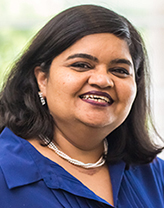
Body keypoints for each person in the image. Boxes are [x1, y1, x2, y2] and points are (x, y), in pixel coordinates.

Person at [0, 4, 163, 208]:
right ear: (42, 79)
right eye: (81, 65)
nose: (103, 80)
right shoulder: (5, 170)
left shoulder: (155, 174)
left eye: (120, 70)